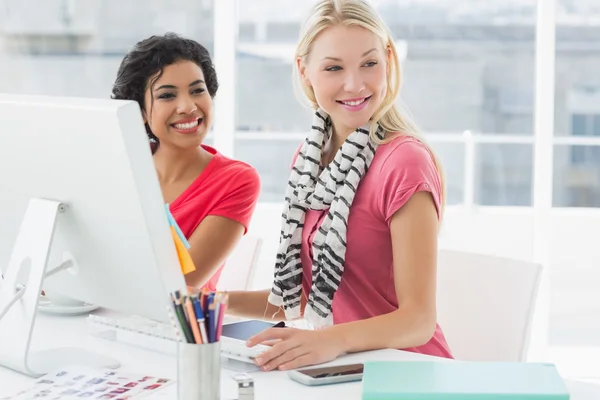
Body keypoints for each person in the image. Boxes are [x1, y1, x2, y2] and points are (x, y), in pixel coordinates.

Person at [226, 0, 453, 371]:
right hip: (343, 369)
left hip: (407, 373)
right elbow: (302, 298)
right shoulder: (310, 158)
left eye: (369, 63)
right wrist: (211, 302)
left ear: (389, 60)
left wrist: (327, 340)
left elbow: (417, 321)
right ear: (304, 71)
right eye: (334, 68)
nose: (355, 84)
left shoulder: (404, 162)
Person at [111, 33, 260, 291]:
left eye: (197, 90)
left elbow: (180, 283)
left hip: (177, 327)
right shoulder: (122, 167)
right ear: (141, 112)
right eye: (167, 95)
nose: (188, 106)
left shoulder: (236, 180)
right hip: (98, 316)